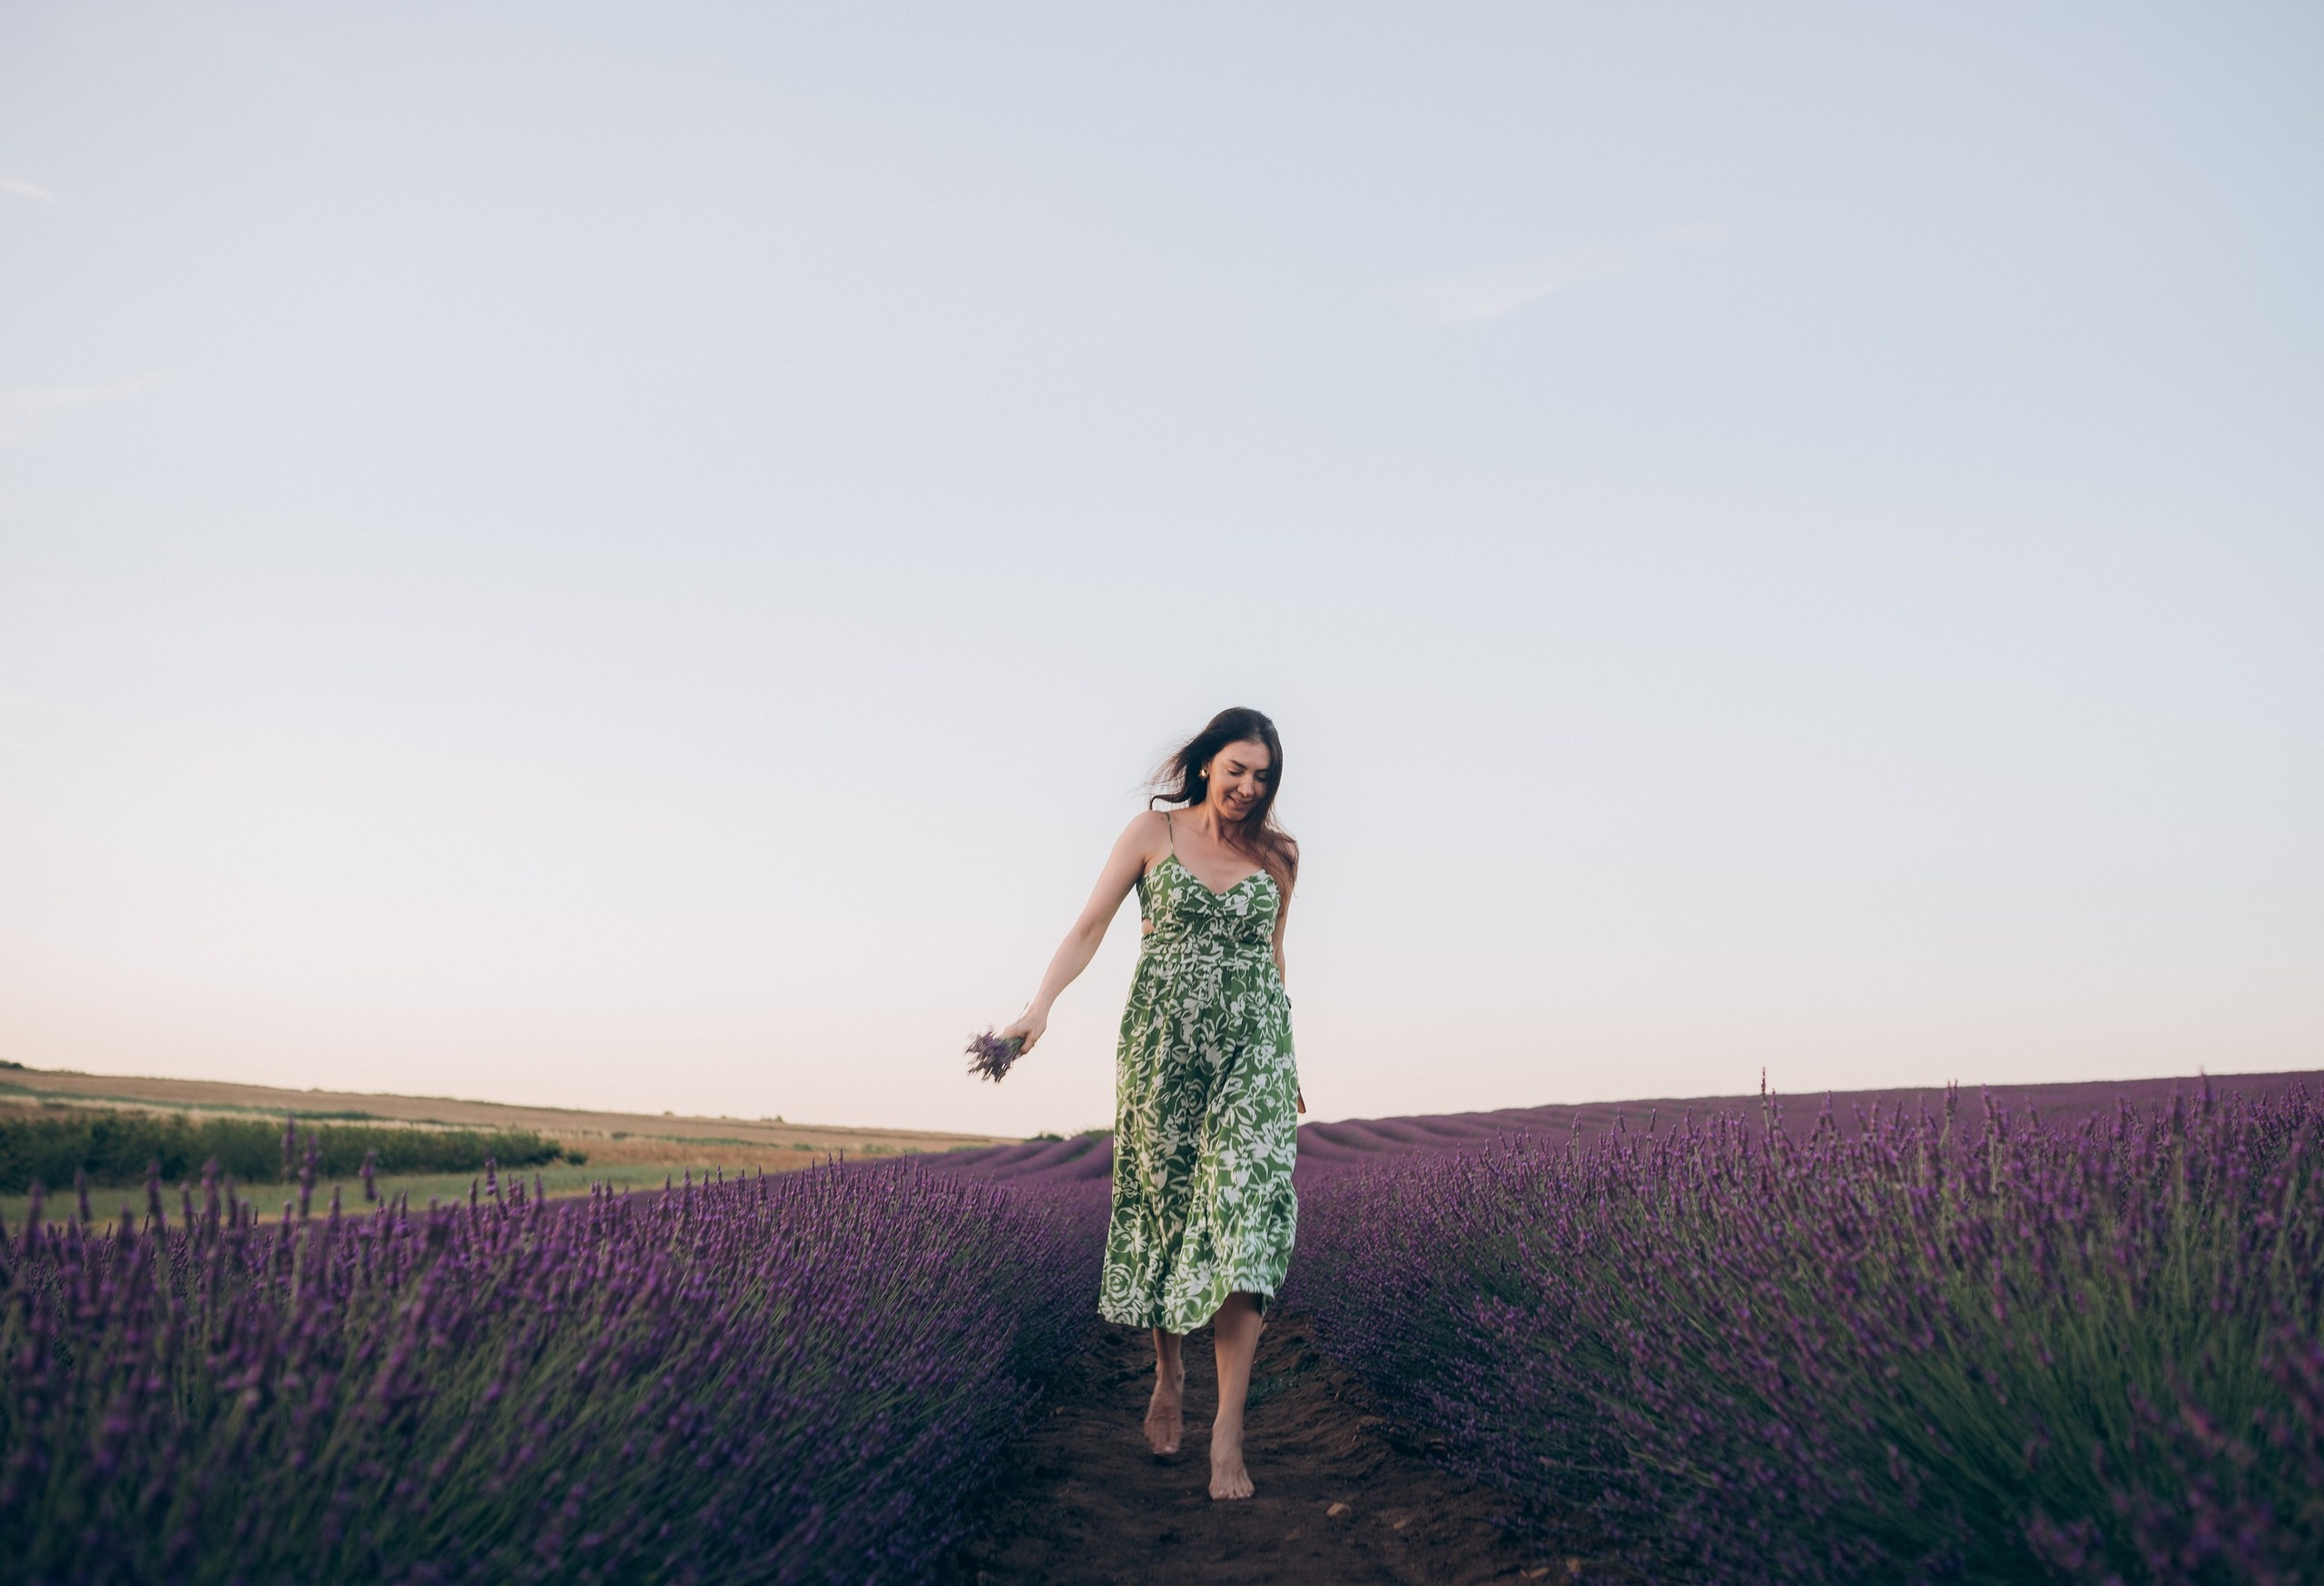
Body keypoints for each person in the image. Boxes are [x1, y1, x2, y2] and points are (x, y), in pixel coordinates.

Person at [998, 706, 1304, 1501]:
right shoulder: (1151, 834)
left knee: (1243, 1218)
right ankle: (1168, 1372)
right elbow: (1091, 926)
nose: (1247, 786)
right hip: (1163, 1055)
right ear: (1206, 763)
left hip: (1254, 1056)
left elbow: (1272, 959)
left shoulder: (1280, 856)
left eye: (1262, 775)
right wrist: (1040, 1006)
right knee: (1167, 1215)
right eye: (1236, 768)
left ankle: (1228, 1427)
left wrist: (1288, 1059)